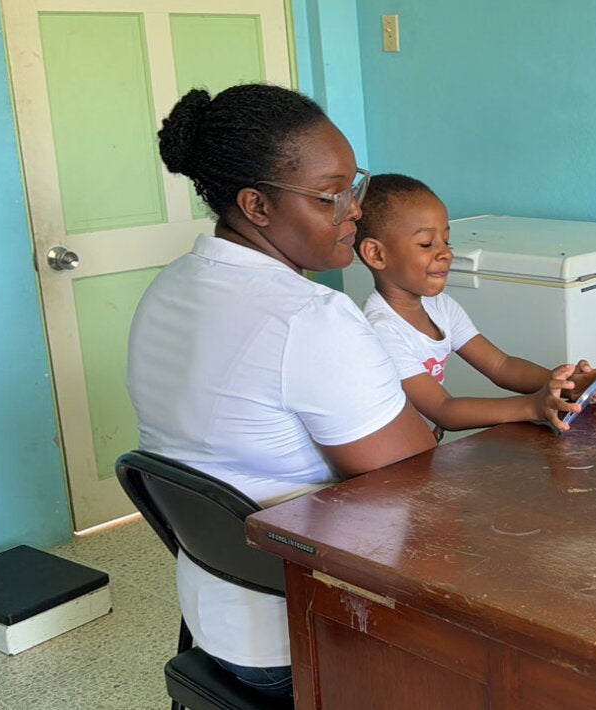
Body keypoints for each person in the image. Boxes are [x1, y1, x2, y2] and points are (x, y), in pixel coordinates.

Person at [127, 84, 436, 698]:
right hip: (302, 636)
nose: (355, 210)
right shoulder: (311, 317)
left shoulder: (171, 286)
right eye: (330, 196)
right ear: (257, 207)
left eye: (356, 185)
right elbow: (421, 484)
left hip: (216, 616)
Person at [354, 173, 596, 433]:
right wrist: (532, 407)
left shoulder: (441, 307)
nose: (445, 253)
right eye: (426, 244)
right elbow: (443, 409)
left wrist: (570, 386)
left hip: (421, 449)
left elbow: (501, 366)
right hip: (391, 462)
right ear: (376, 254)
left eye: (446, 241)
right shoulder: (381, 330)